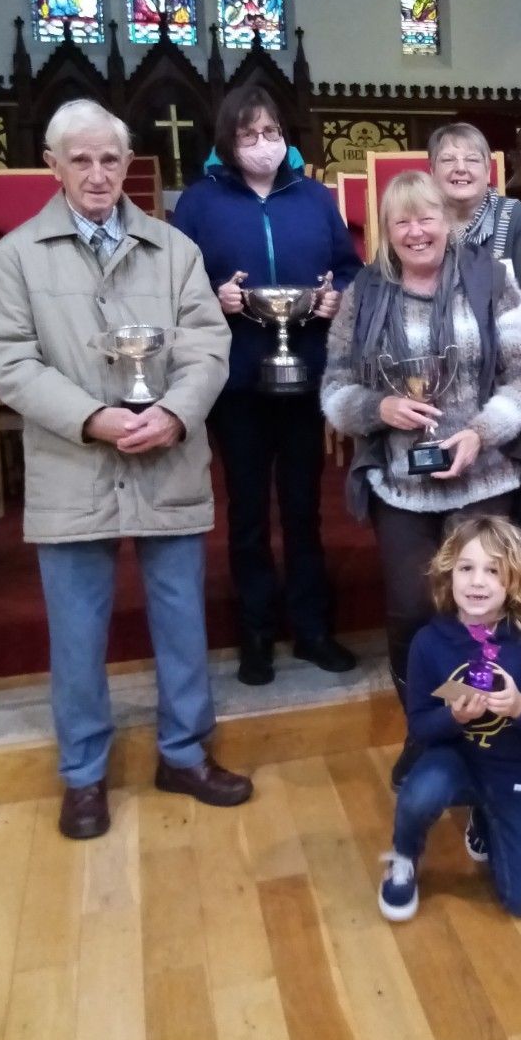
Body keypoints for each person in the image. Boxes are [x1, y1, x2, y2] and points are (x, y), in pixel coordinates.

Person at [0, 98, 253, 839]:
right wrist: (92, 418)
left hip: (166, 456)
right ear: (53, 165)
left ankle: (183, 752)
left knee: (180, 616)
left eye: (111, 159)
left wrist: (173, 412)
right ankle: (83, 776)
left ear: (127, 164)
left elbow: (209, 345)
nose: (99, 173)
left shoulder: (174, 250)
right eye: (82, 159)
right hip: (73, 465)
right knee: (77, 630)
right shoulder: (12, 258)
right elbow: (8, 361)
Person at [321, 170, 521, 784]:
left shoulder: (491, 279)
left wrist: (480, 433)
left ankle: (497, 732)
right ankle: (427, 729)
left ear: (448, 222)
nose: (417, 231)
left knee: (492, 608)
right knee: (412, 611)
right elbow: (334, 389)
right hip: (402, 485)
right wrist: (378, 408)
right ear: (387, 233)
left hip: (487, 479)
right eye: (402, 221)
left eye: (428, 218)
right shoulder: (363, 293)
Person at [173, 86, 362, 686]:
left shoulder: (314, 198)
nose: (263, 144)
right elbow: (174, 282)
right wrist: (212, 293)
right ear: (228, 141)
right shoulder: (201, 204)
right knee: (249, 513)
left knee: (305, 510)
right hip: (236, 380)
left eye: (272, 132)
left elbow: (350, 265)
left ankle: (311, 629)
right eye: (249, 135)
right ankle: (255, 634)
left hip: (304, 371)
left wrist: (337, 298)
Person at [378, 515, 521, 922]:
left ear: (514, 581)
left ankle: (486, 818)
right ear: (449, 574)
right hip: (454, 762)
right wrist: (454, 718)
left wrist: (519, 708)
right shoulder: (429, 642)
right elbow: (420, 726)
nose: (477, 582)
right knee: (419, 792)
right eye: (466, 568)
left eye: (493, 571)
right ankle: (403, 856)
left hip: (513, 773)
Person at [428, 122, 521, 315]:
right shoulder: (417, 224)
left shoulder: (517, 218)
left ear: (488, 172)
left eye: (472, 160)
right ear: (432, 172)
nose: (460, 168)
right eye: (448, 160)